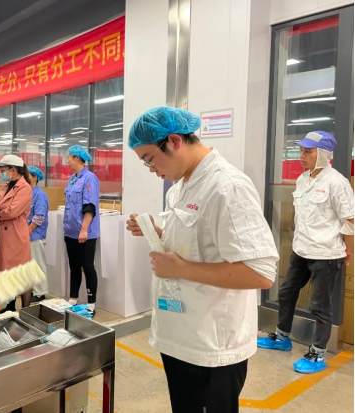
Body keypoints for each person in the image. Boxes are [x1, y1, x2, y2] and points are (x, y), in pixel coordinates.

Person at [125, 106, 279, 413]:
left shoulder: (228, 187)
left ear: (174, 141)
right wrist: (157, 230)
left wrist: (181, 269)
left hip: (211, 346)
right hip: (180, 335)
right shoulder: (180, 187)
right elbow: (196, 240)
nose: (151, 169)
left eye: (149, 159)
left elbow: (261, 273)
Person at [258, 131, 354, 374]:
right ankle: (282, 337)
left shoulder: (337, 183)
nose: (301, 155)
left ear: (323, 154)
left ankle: (317, 353)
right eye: (301, 150)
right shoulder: (302, 179)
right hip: (301, 250)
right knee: (286, 292)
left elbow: (350, 220)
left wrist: (348, 251)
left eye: (308, 151)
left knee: (320, 305)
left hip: (326, 253)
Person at [0, 155, 32, 311]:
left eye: (4, 170)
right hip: (2, 235)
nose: (2, 173)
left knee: (21, 272)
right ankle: (10, 305)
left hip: (15, 235)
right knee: (6, 271)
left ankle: (26, 309)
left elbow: (13, 211)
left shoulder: (24, 188)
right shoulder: (6, 186)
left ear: (13, 170)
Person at [63, 145, 100, 317]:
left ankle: (91, 304)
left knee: (88, 267)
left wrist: (84, 229)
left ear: (77, 158)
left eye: (69, 157)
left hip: (84, 233)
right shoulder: (72, 179)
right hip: (70, 232)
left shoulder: (90, 178)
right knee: (74, 267)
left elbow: (89, 206)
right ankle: (73, 299)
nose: (67, 161)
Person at [27, 166, 49, 302]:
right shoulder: (26, 193)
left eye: (27, 175)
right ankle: (33, 291)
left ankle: (41, 293)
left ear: (35, 177)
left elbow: (39, 217)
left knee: (37, 264)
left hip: (35, 235)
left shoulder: (40, 195)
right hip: (26, 236)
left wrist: (28, 230)